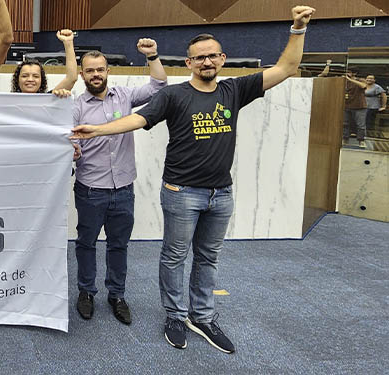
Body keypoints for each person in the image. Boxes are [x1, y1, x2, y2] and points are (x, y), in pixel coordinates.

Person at [71, 6, 316, 354]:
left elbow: (287, 68)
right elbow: (136, 121)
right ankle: (175, 315)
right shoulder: (174, 95)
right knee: (174, 257)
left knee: (208, 258)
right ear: (188, 63)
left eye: (212, 56)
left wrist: (298, 29)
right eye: (198, 58)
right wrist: (97, 129)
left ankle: (202, 317)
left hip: (221, 194)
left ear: (222, 58)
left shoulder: (235, 90)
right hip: (181, 192)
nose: (206, 62)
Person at [70, 39, 167, 325]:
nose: (95, 74)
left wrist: (152, 56)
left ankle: (117, 295)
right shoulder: (76, 107)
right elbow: (70, 141)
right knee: (86, 243)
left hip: (123, 189)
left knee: (118, 245)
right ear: (82, 74)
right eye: (90, 71)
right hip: (90, 190)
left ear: (108, 70)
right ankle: (86, 292)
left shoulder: (124, 96)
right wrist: (73, 149)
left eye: (100, 69)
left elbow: (159, 87)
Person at [11, 29, 77, 94]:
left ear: (42, 81)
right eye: (25, 76)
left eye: (36, 76)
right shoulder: (7, 100)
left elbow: (71, 79)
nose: (30, 79)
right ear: (17, 80)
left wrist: (68, 43)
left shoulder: (49, 98)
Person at [343, 71, 368, 148]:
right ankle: (345, 139)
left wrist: (350, 79)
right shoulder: (344, 81)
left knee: (360, 124)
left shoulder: (361, 80)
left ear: (354, 73)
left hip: (360, 106)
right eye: (346, 72)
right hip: (347, 105)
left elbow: (363, 86)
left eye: (349, 72)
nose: (347, 73)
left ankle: (361, 140)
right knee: (345, 123)